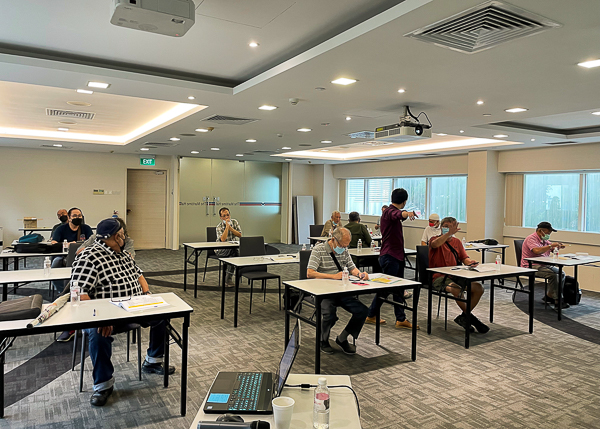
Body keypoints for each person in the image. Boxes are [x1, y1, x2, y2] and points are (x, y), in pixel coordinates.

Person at [71, 218, 175, 407]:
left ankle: (153, 361)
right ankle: (103, 385)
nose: (124, 238)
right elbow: (80, 293)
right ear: (114, 237)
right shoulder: (89, 257)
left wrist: (147, 294)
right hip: (105, 313)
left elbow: (139, 275)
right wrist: (101, 318)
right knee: (97, 333)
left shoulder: (123, 255)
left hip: (134, 307)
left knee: (162, 316)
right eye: (121, 235)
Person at [307, 227, 369, 355]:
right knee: (329, 314)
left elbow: (352, 268)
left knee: (362, 311)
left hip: (341, 291)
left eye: (346, 245)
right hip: (323, 292)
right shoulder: (318, 250)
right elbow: (310, 273)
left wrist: (360, 274)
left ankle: (342, 338)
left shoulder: (344, 250)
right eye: (342, 245)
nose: (344, 248)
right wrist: (333, 276)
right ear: (333, 240)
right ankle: (323, 340)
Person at [365, 189, 419, 329]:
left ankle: (400, 319)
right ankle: (371, 315)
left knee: (398, 288)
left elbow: (401, 215)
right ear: (404, 201)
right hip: (390, 256)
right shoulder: (389, 212)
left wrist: (406, 213)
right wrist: (407, 213)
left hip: (396, 256)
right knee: (386, 289)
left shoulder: (390, 212)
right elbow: (399, 214)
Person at [429, 217, 489, 333]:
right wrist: (448, 234)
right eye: (446, 226)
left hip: (456, 275)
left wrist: (470, 262)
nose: (449, 229)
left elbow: (463, 257)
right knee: (456, 289)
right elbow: (435, 244)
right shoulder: (434, 239)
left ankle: (464, 317)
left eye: (452, 227)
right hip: (439, 276)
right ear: (441, 227)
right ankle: (471, 318)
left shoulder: (457, 242)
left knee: (478, 288)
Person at [520, 221, 568, 308]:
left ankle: (549, 296)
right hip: (531, 266)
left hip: (543, 265)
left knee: (561, 273)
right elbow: (537, 251)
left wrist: (557, 246)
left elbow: (551, 248)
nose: (548, 235)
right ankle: (558, 300)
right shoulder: (531, 239)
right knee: (553, 275)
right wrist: (550, 246)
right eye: (547, 233)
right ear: (540, 231)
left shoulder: (544, 240)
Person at [51, 207, 94, 301]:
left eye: (79, 216)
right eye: (74, 216)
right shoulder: (60, 229)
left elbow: (92, 242)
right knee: (56, 263)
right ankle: (62, 292)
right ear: (69, 218)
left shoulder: (86, 228)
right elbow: (54, 242)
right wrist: (68, 244)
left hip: (82, 256)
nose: (77, 218)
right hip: (63, 256)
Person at [215, 207, 242, 286]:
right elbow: (223, 239)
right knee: (235, 254)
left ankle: (228, 279)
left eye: (228, 215)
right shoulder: (219, 227)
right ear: (220, 217)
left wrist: (231, 229)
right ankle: (230, 278)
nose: (227, 217)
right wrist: (227, 228)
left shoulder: (234, 222)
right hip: (221, 250)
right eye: (224, 216)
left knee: (233, 255)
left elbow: (240, 235)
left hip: (233, 248)